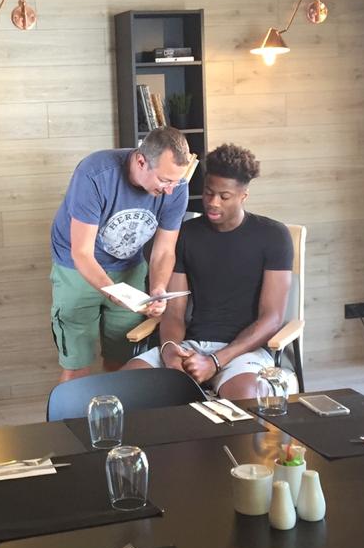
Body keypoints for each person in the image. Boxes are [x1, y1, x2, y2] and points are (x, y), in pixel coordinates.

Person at [124, 143, 294, 399]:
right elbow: (174, 310)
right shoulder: (186, 235)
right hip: (191, 347)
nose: (213, 203)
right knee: (127, 384)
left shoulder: (273, 236)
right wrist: (170, 351)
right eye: (208, 193)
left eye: (224, 197)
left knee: (246, 394)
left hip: (243, 351)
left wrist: (215, 361)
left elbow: (271, 318)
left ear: (243, 196)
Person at [50, 127, 191, 381]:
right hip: (77, 270)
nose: (171, 189)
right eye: (164, 180)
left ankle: (115, 407)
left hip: (129, 268)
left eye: (175, 181)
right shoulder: (95, 174)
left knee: (122, 362)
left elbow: (164, 250)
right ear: (141, 161)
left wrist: (158, 288)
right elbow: (81, 253)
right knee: (77, 365)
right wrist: (114, 293)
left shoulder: (176, 186)